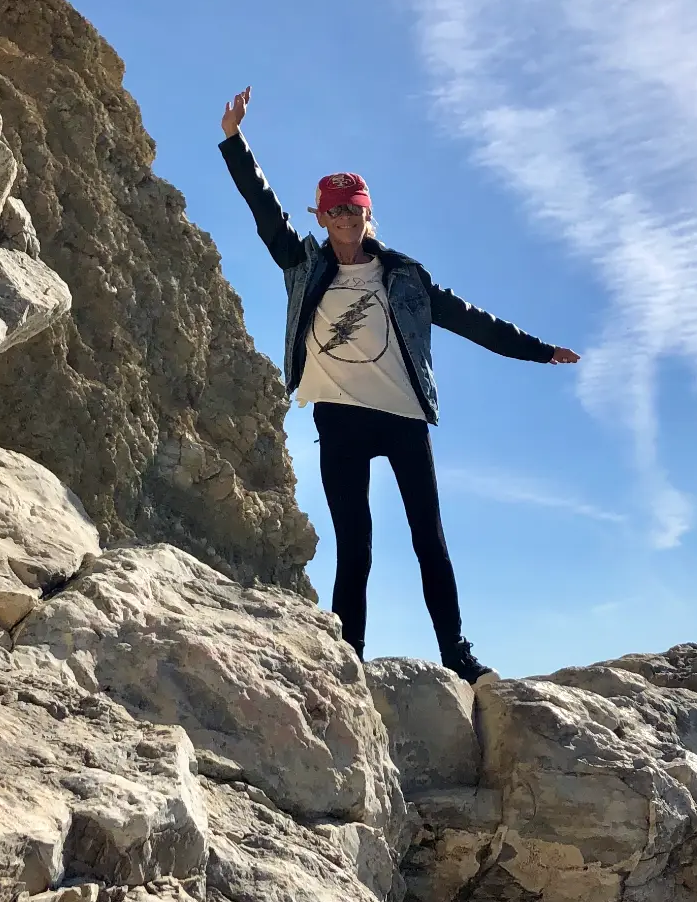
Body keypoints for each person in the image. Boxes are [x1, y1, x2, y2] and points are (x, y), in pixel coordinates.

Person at [219, 85, 579, 682]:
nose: (344, 219)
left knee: (428, 539)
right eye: (334, 210)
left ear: (368, 213)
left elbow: (472, 320)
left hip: (403, 415)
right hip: (338, 417)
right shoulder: (302, 264)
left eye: (353, 209)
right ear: (320, 216)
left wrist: (539, 351)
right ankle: (348, 659)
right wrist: (235, 140)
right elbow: (263, 208)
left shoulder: (405, 276)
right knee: (354, 545)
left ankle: (457, 654)